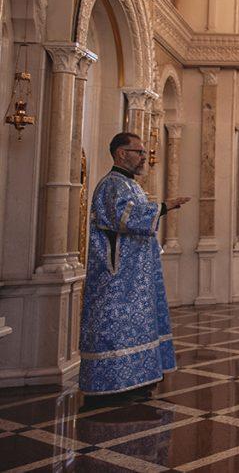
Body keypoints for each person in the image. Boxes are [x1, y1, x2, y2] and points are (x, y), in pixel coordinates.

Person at [79, 133, 190, 398]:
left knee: (138, 326)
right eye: (138, 151)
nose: (143, 157)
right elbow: (124, 218)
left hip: (135, 276)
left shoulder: (131, 185)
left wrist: (159, 208)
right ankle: (114, 385)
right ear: (121, 153)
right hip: (117, 279)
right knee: (115, 329)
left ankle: (138, 379)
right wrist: (163, 207)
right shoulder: (112, 185)